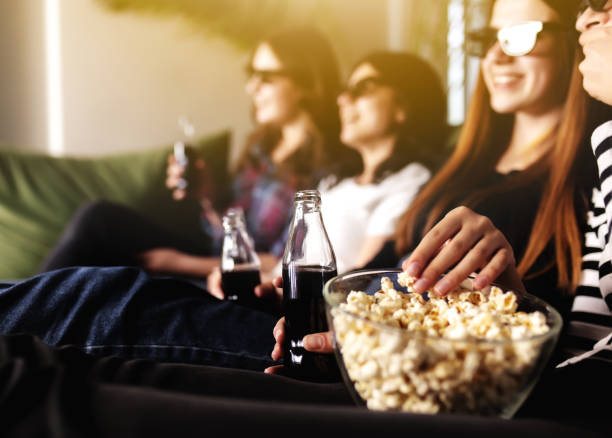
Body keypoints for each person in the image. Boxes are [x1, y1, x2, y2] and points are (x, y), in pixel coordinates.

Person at [39, 27, 359, 277]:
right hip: (215, 253)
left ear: (305, 82)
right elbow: (229, 230)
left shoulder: (329, 168)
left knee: (105, 236)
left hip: (234, 276)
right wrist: (207, 195)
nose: (252, 88)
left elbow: (280, 263)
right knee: (100, 218)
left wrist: (178, 262)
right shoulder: (263, 144)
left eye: (266, 78)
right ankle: (19, 311)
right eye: (251, 76)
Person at [206, 50, 449, 298]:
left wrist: (276, 295)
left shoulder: (410, 179)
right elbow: (284, 261)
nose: (343, 99)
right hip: (275, 292)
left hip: (307, 306)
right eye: (345, 90)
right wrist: (239, 274)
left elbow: (364, 277)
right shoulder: (336, 180)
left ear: (403, 106)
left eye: (363, 88)